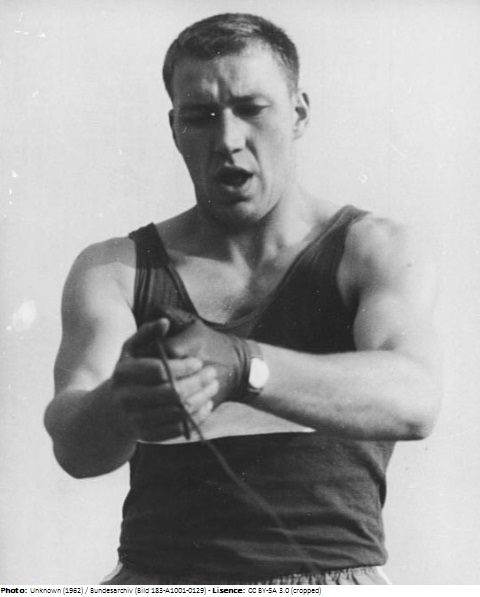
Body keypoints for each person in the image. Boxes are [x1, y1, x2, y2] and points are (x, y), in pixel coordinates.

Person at [44, 13, 442, 586]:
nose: (228, 140)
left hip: (331, 578)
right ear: (175, 128)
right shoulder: (116, 269)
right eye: (200, 117)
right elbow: (74, 449)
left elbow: (416, 400)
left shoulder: (373, 248)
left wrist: (243, 366)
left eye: (252, 109)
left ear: (299, 113)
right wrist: (119, 402)